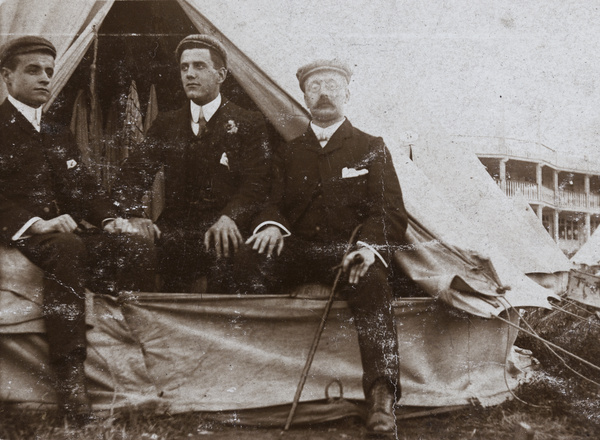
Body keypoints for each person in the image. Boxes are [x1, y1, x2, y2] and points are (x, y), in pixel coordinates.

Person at [246, 59, 407, 437]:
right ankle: (250, 383)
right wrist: (271, 225)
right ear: (303, 96)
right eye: (315, 86)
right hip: (298, 252)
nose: (323, 93)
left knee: (373, 281)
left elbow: (389, 210)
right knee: (248, 259)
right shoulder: (288, 151)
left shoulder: (371, 146)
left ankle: (382, 398)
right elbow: (269, 201)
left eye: (333, 86)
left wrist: (368, 248)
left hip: (348, 254)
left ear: (347, 94)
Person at [0, 36, 157, 423]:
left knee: (136, 246)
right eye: (33, 70)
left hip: (61, 235)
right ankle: (70, 378)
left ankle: (129, 356)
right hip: (21, 233)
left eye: (50, 71)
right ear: (7, 76)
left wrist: (110, 220)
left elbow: (83, 189)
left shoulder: (56, 132)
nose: (45, 79)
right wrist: (37, 223)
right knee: (67, 248)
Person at [112, 34, 271, 293]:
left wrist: (231, 217)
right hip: (175, 232)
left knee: (232, 265)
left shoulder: (249, 122)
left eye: (199, 66)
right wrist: (134, 215)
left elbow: (257, 182)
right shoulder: (167, 123)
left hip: (225, 229)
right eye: (184, 67)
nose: (189, 74)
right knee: (138, 252)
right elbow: (131, 175)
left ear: (220, 75)